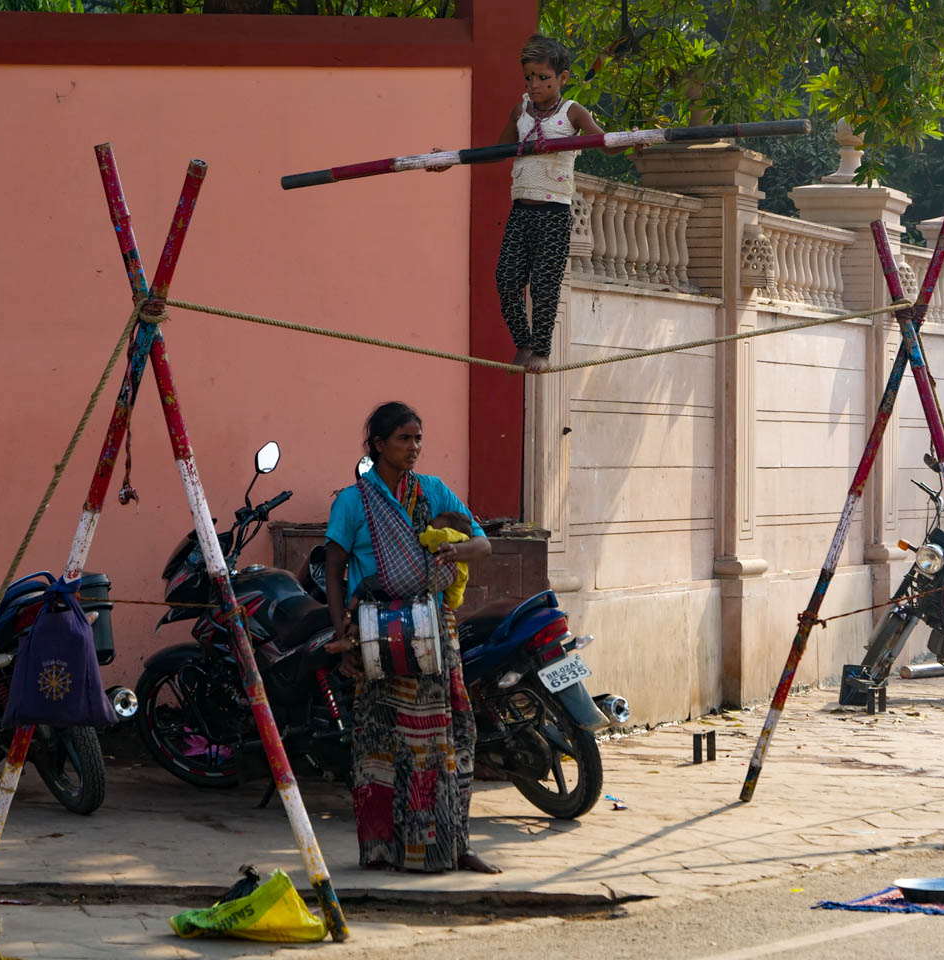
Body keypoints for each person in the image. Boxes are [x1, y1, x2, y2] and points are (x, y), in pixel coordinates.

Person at [324, 401, 499, 874]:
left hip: (434, 633)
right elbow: (334, 570)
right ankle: (384, 851)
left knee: (452, 738)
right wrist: (342, 634)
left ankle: (453, 846)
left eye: (418, 438)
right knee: (381, 745)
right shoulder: (353, 502)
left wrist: (456, 550)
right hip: (377, 635)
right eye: (404, 438)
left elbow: (482, 544)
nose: (414, 447)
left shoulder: (434, 491)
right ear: (379, 445)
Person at [494, 34, 623, 372]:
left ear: (562, 78)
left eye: (543, 78)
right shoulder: (521, 110)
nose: (534, 85)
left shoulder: (572, 113)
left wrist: (632, 140)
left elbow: (604, 143)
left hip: (554, 213)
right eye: (529, 78)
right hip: (521, 211)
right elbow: (495, 152)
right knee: (506, 280)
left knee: (544, 285)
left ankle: (541, 350)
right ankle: (523, 342)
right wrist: (449, 159)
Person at [418, 511, 473, 610]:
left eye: (437, 528)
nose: (433, 527)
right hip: (461, 579)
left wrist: (425, 532)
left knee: (451, 601)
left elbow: (429, 538)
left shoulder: (448, 535)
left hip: (457, 584)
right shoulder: (462, 538)